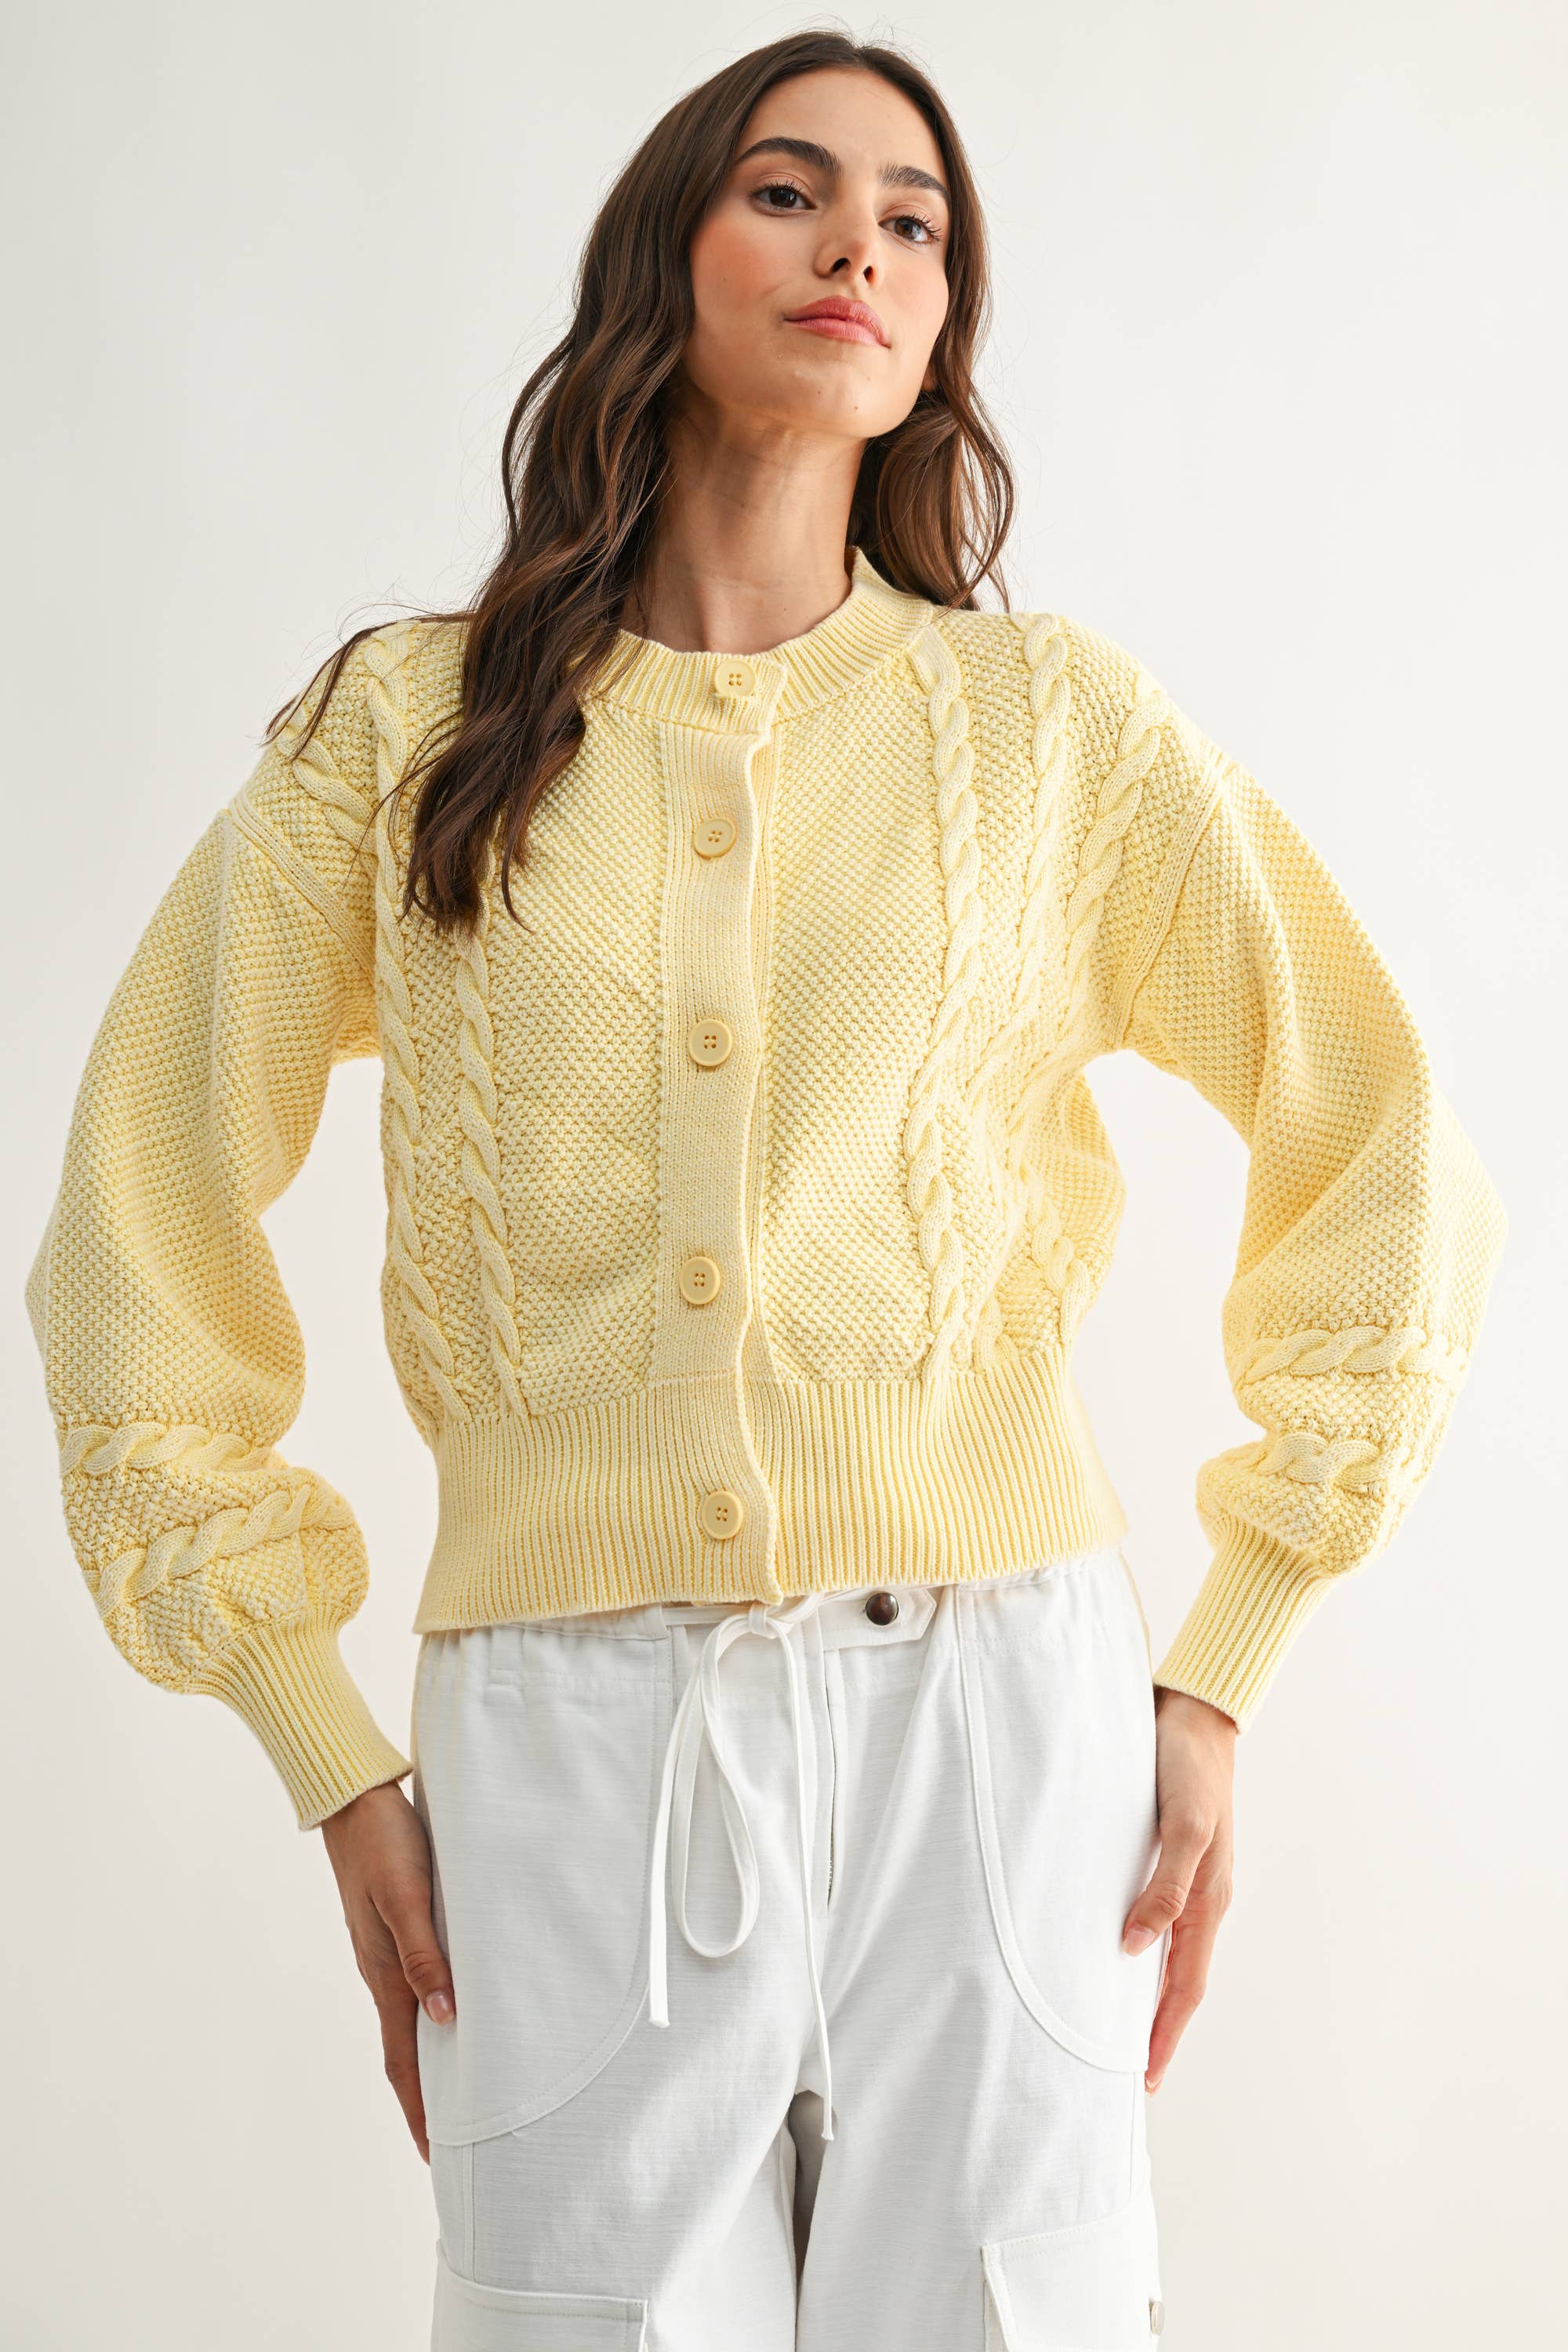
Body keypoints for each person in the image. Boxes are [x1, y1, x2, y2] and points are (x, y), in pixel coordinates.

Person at [24, 30, 1507, 2351]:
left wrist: (1222, 1668)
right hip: (565, 1751)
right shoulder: (404, 738)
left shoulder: (1049, 735)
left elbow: (1379, 1124)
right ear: (668, 255)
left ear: (942, 328)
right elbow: (139, 1211)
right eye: (793, 192)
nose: (862, 249)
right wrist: (325, 1752)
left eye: (917, 222)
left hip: (995, 1726)